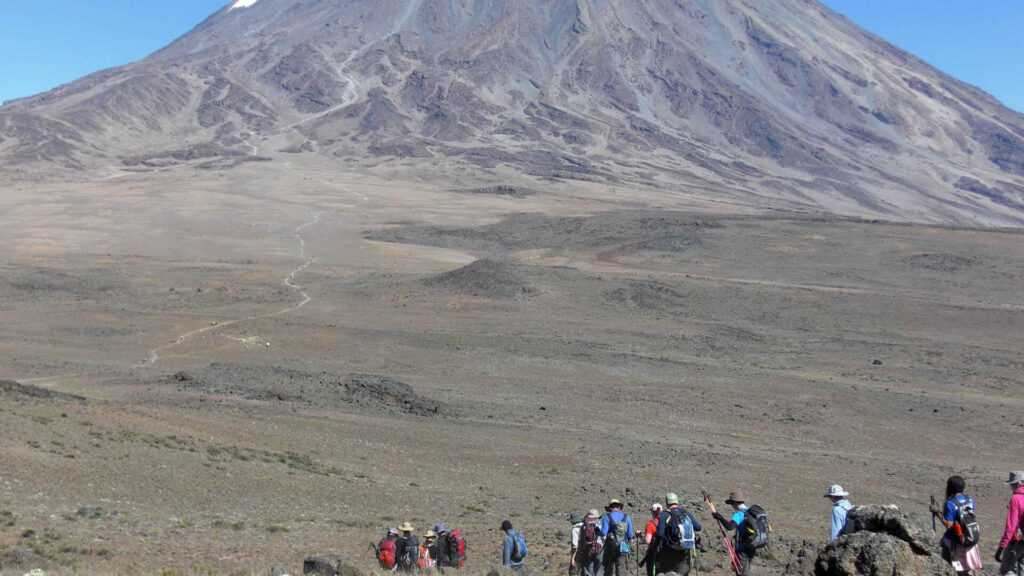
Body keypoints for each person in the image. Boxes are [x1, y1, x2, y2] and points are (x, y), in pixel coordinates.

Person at [931, 475, 982, 575]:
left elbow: (949, 525)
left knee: (948, 566)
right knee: (964, 571)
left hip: (954, 540)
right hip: (969, 537)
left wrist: (937, 513)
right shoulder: (970, 500)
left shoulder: (950, 503)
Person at [710, 490, 756, 576]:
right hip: (752, 547)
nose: (732, 506)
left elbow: (730, 527)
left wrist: (719, 517)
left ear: (735, 502)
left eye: (731, 503)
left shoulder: (739, 514)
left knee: (742, 573)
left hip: (742, 549)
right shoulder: (750, 511)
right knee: (746, 570)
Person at [656, 492, 702, 575]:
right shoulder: (686, 513)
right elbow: (698, 527)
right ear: (677, 502)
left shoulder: (665, 514)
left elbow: (660, 534)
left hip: (668, 552)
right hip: (684, 551)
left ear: (667, 502)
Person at [997, 471, 1024, 576]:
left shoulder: (1015, 499)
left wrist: (1001, 548)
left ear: (1019, 483)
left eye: (1012, 484)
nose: (1011, 487)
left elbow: (1010, 527)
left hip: (1016, 543)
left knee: (1006, 570)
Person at [601, 499, 635, 576]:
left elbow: (603, 532)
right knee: (621, 570)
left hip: (610, 547)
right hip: (622, 547)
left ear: (610, 508)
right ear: (619, 507)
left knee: (608, 570)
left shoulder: (607, 517)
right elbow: (630, 535)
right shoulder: (626, 517)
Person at [577, 509, 605, 576]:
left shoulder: (584, 525)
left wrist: (580, 551)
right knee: (599, 570)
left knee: (589, 571)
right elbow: (604, 537)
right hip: (599, 549)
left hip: (587, 550)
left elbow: (581, 540)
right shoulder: (600, 524)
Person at [641, 503, 663, 576]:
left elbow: (648, 540)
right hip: (666, 552)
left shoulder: (650, 524)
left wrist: (641, 536)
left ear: (653, 512)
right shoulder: (666, 522)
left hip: (654, 553)